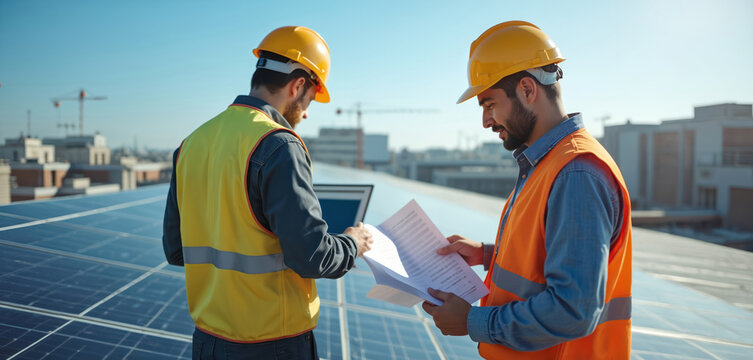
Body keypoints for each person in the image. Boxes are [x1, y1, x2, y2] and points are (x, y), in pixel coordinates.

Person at [421, 21, 632, 359]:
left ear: (527, 90)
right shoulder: (550, 164)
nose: (486, 122)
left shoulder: (576, 173)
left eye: (489, 104)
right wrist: (488, 254)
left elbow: (573, 309)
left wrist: (472, 320)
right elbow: (550, 257)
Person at [162, 26, 372, 360]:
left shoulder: (192, 143)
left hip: (208, 343)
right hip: (273, 343)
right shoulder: (278, 145)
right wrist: (353, 243)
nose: (306, 112)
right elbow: (311, 256)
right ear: (298, 85)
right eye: (311, 100)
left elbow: (176, 250)